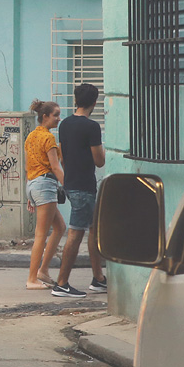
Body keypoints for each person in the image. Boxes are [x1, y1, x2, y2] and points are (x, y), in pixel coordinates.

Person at [55, 84, 108, 296]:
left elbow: (63, 155)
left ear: (76, 99)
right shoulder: (92, 127)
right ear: (94, 103)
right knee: (76, 233)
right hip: (84, 185)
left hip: (71, 182)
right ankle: (61, 283)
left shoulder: (65, 124)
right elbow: (100, 161)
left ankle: (99, 278)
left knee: (93, 230)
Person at [24, 99, 70, 293]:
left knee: (59, 227)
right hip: (44, 184)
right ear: (45, 117)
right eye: (56, 115)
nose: (59, 119)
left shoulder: (31, 136)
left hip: (34, 184)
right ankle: (32, 278)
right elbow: (54, 166)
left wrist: (31, 194)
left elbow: (30, 165)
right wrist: (70, 185)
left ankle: (43, 271)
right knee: (41, 234)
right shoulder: (48, 138)